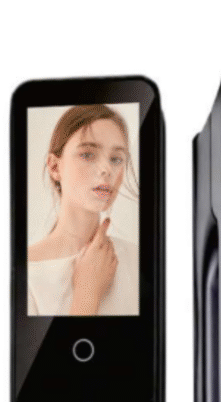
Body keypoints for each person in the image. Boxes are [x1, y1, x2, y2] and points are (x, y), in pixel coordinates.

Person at [27, 104, 139, 316]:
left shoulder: (137, 260)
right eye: (87, 155)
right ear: (54, 167)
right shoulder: (25, 272)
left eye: (116, 159)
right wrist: (87, 294)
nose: (107, 169)